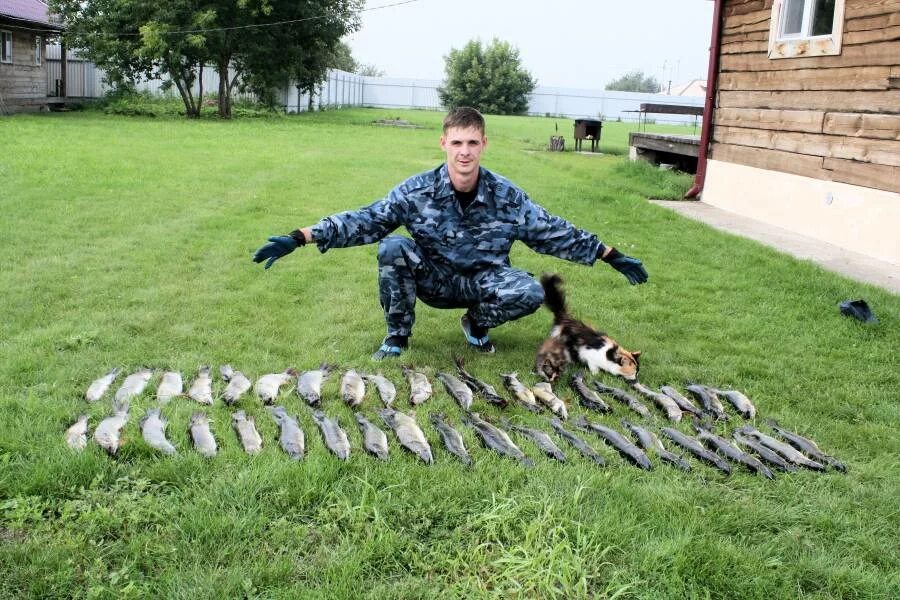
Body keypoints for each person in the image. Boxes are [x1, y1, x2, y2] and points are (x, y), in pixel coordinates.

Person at [253, 107, 648, 360]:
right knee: (392, 246)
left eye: (472, 142)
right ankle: (397, 337)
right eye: (456, 142)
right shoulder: (416, 190)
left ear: (484, 145)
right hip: (435, 279)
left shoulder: (507, 196)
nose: (464, 152)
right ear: (443, 143)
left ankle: (476, 323)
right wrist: (302, 235)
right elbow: (368, 219)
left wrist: (610, 254)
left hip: (483, 282)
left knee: (531, 291)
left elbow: (553, 231)